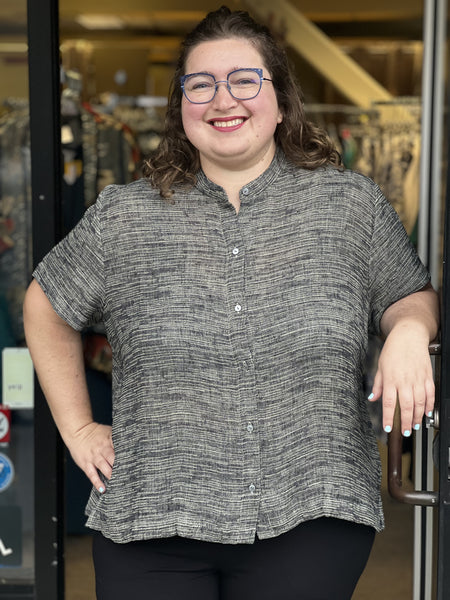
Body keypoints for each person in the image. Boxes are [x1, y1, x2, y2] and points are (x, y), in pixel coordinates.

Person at [23, 6, 439, 599]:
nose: (224, 100)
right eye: (201, 84)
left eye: (245, 80)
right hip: (153, 521)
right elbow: (46, 304)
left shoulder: (349, 207)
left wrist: (409, 331)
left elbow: (409, 293)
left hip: (310, 512)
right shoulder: (125, 217)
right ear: (182, 106)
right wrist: (79, 427)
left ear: (281, 98)